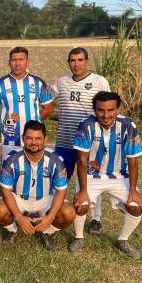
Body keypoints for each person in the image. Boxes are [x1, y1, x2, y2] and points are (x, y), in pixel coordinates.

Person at [69, 91, 142, 258]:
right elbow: (82, 161)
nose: (105, 115)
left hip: (119, 176)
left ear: (118, 109)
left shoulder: (128, 126)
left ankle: (123, 240)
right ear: (95, 110)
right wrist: (82, 191)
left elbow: (133, 161)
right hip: (91, 175)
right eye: (101, 110)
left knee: (136, 206)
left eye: (111, 110)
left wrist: (133, 190)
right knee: (80, 204)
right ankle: (79, 237)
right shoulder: (86, 125)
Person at [53, 47, 110, 234]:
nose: (76, 64)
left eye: (80, 60)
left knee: (91, 180)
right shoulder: (61, 82)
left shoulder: (99, 81)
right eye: (72, 60)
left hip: (90, 144)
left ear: (87, 61)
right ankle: (57, 210)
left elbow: (108, 108)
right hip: (65, 141)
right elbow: (45, 99)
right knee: (60, 178)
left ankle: (96, 218)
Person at [0, 120, 75, 250]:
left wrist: (51, 216)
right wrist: (19, 217)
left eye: (38, 138)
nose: (33, 142)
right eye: (29, 138)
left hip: (45, 198)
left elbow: (61, 190)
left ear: (45, 139)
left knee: (68, 213)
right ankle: (13, 230)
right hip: (19, 198)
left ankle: (47, 232)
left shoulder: (55, 159)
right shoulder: (11, 158)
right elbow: (5, 191)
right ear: (23, 139)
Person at [0, 46, 54, 161]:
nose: (17, 63)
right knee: (9, 175)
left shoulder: (38, 83)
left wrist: (34, 120)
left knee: (33, 173)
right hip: (9, 140)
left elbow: (48, 108)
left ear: (27, 62)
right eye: (14, 60)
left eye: (21, 59)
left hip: (34, 140)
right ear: (9, 62)